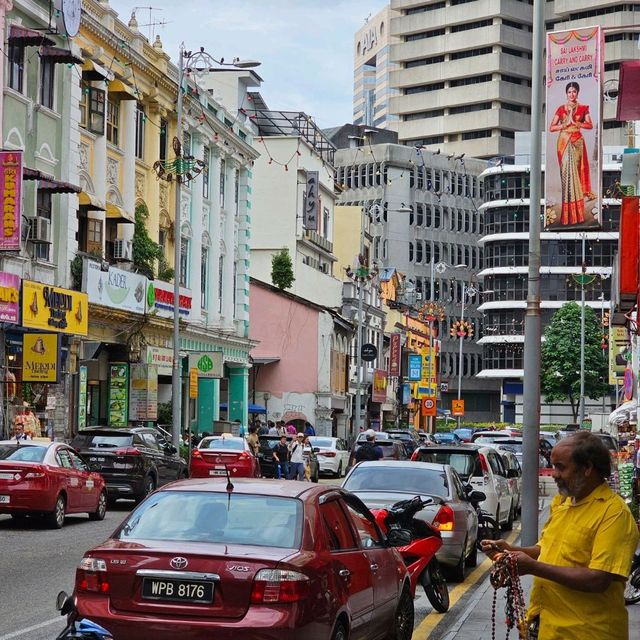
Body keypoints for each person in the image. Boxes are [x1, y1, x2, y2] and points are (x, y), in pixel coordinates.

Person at [481, 431, 639, 640]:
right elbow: (545, 549)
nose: (554, 474)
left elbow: (598, 579)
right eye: (553, 465)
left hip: (587, 632)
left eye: (561, 467)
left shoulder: (613, 513)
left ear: (587, 468)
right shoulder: (563, 503)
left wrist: (532, 567)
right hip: (547, 626)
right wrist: (512, 552)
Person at [549, 81, 595, 226]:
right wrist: (564, 125)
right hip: (564, 142)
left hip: (577, 142)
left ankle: (577, 214)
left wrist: (578, 124)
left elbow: (590, 124)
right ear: (566, 93)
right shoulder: (561, 109)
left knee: (575, 174)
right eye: (569, 92)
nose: (571, 94)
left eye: (574, 91)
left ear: (577, 93)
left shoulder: (583, 108)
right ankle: (567, 214)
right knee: (567, 175)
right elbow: (551, 127)